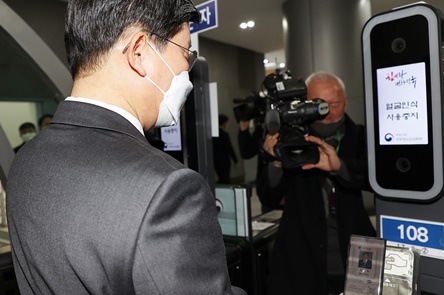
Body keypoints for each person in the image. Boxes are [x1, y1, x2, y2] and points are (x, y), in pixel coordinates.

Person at [6, 1, 244, 294]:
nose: (187, 70)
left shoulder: (26, 160)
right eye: (186, 53)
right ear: (140, 52)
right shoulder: (168, 190)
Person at [257, 71, 376, 295]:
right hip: (300, 254)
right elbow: (267, 196)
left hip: (354, 247)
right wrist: (275, 162)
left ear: (345, 102)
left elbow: (377, 179)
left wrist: (340, 166)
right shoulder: (285, 137)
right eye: (319, 104)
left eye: (335, 103)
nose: (328, 112)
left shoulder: (360, 135)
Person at [213, 114, 238, 184]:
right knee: (225, 179)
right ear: (223, 123)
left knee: (221, 178)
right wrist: (235, 159)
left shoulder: (213, 135)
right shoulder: (224, 134)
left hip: (216, 160)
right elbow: (229, 148)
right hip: (224, 160)